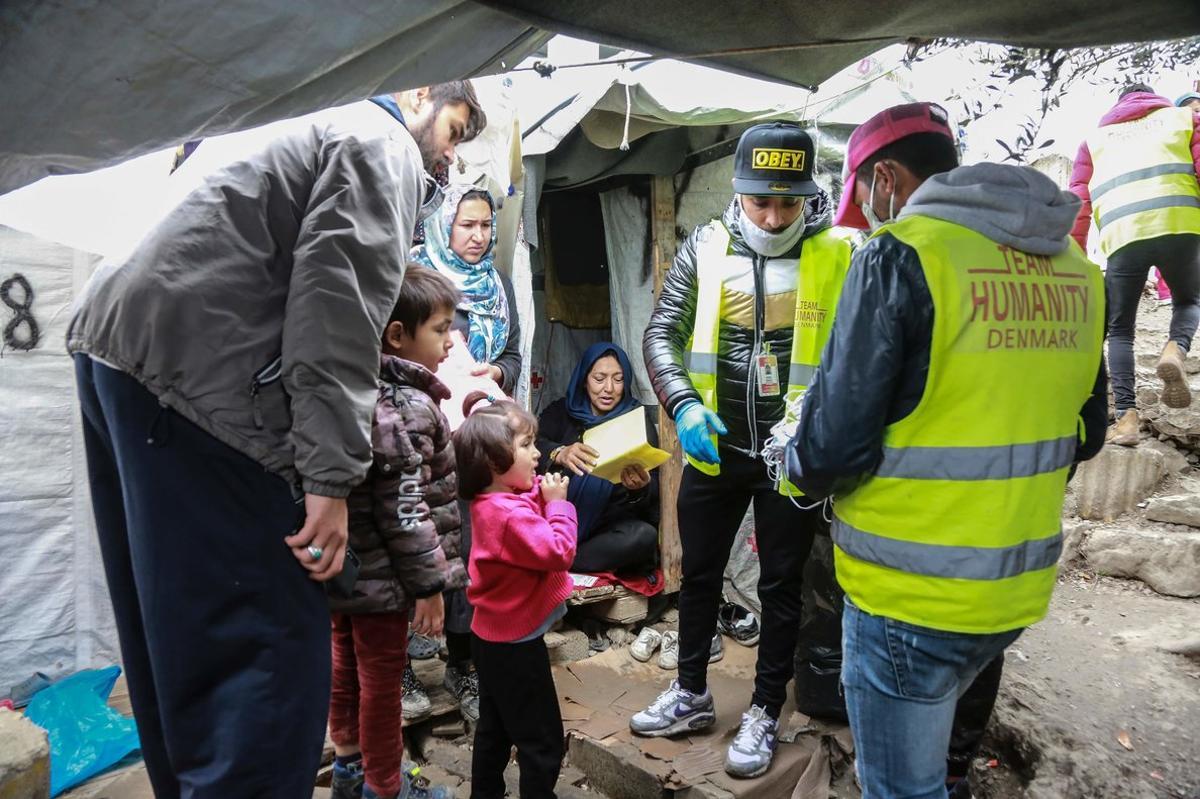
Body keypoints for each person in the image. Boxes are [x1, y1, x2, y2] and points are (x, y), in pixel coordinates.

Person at [67, 82, 485, 796]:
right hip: (201, 383)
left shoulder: (300, 111)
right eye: (455, 128)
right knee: (264, 666)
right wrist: (329, 482)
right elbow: (337, 312)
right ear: (419, 88)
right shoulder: (377, 143)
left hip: (121, 354)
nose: (451, 155)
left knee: (180, 655)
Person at [786, 101, 1108, 798]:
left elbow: (835, 445)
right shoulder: (1079, 271)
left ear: (887, 178)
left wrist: (794, 460)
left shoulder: (903, 254)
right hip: (1014, 590)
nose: (869, 212)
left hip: (908, 593)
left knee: (902, 788)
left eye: (865, 195)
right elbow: (1090, 430)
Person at [635, 122, 853, 778]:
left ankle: (763, 709)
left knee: (782, 586)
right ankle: (691, 691)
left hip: (791, 455)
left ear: (807, 196)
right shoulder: (706, 245)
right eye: (762, 200)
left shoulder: (839, 252)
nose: (774, 214)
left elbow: (858, 354)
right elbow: (661, 332)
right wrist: (683, 404)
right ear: (738, 190)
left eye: (788, 202)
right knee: (699, 573)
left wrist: (820, 428)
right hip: (716, 446)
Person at [327, 267, 463, 799]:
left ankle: (348, 770)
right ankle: (385, 788)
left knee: (345, 665)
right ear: (397, 336)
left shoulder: (359, 390)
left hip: (349, 570)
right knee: (381, 684)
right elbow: (406, 509)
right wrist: (430, 586)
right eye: (440, 329)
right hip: (385, 580)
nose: (451, 341)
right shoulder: (405, 407)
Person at [408, 185, 521, 723]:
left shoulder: (498, 286)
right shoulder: (411, 277)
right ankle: (404, 665)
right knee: (412, 540)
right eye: (465, 225)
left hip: (474, 444)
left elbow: (515, 355)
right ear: (442, 227)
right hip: (417, 437)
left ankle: (462, 662)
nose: (477, 237)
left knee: (465, 547)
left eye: (484, 226)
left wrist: (495, 373)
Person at [454, 398, 577, 799]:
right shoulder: (508, 516)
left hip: (490, 640)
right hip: (517, 649)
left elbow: (521, 508)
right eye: (527, 445)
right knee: (541, 740)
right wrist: (559, 506)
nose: (538, 453)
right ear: (493, 461)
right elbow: (558, 550)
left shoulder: (490, 503)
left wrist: (540, 496)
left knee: (496, 728)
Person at [1069, 83, 1200, 446]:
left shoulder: (1094, 141)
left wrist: (1076, 254)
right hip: (1181, 224)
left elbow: (1078, 201)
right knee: (1189, 301)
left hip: (1123, 233)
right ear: (1155, 98)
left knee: (1121, 330)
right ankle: (1175, 349)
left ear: (1119, 106)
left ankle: (1126, 420)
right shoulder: (1185, 118)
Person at [537, 342, 660, 575]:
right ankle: (557, 551)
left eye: (618, 379)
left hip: (607, 525)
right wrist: (559, 452)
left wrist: (640, 488)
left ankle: (561, 559)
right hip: (557, 518)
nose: (609, 388)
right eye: (599, 378)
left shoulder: (635, 420)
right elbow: (532, 445)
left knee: (644, 537)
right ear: (585, 379)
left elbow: (653, 496)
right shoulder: (561, 412)